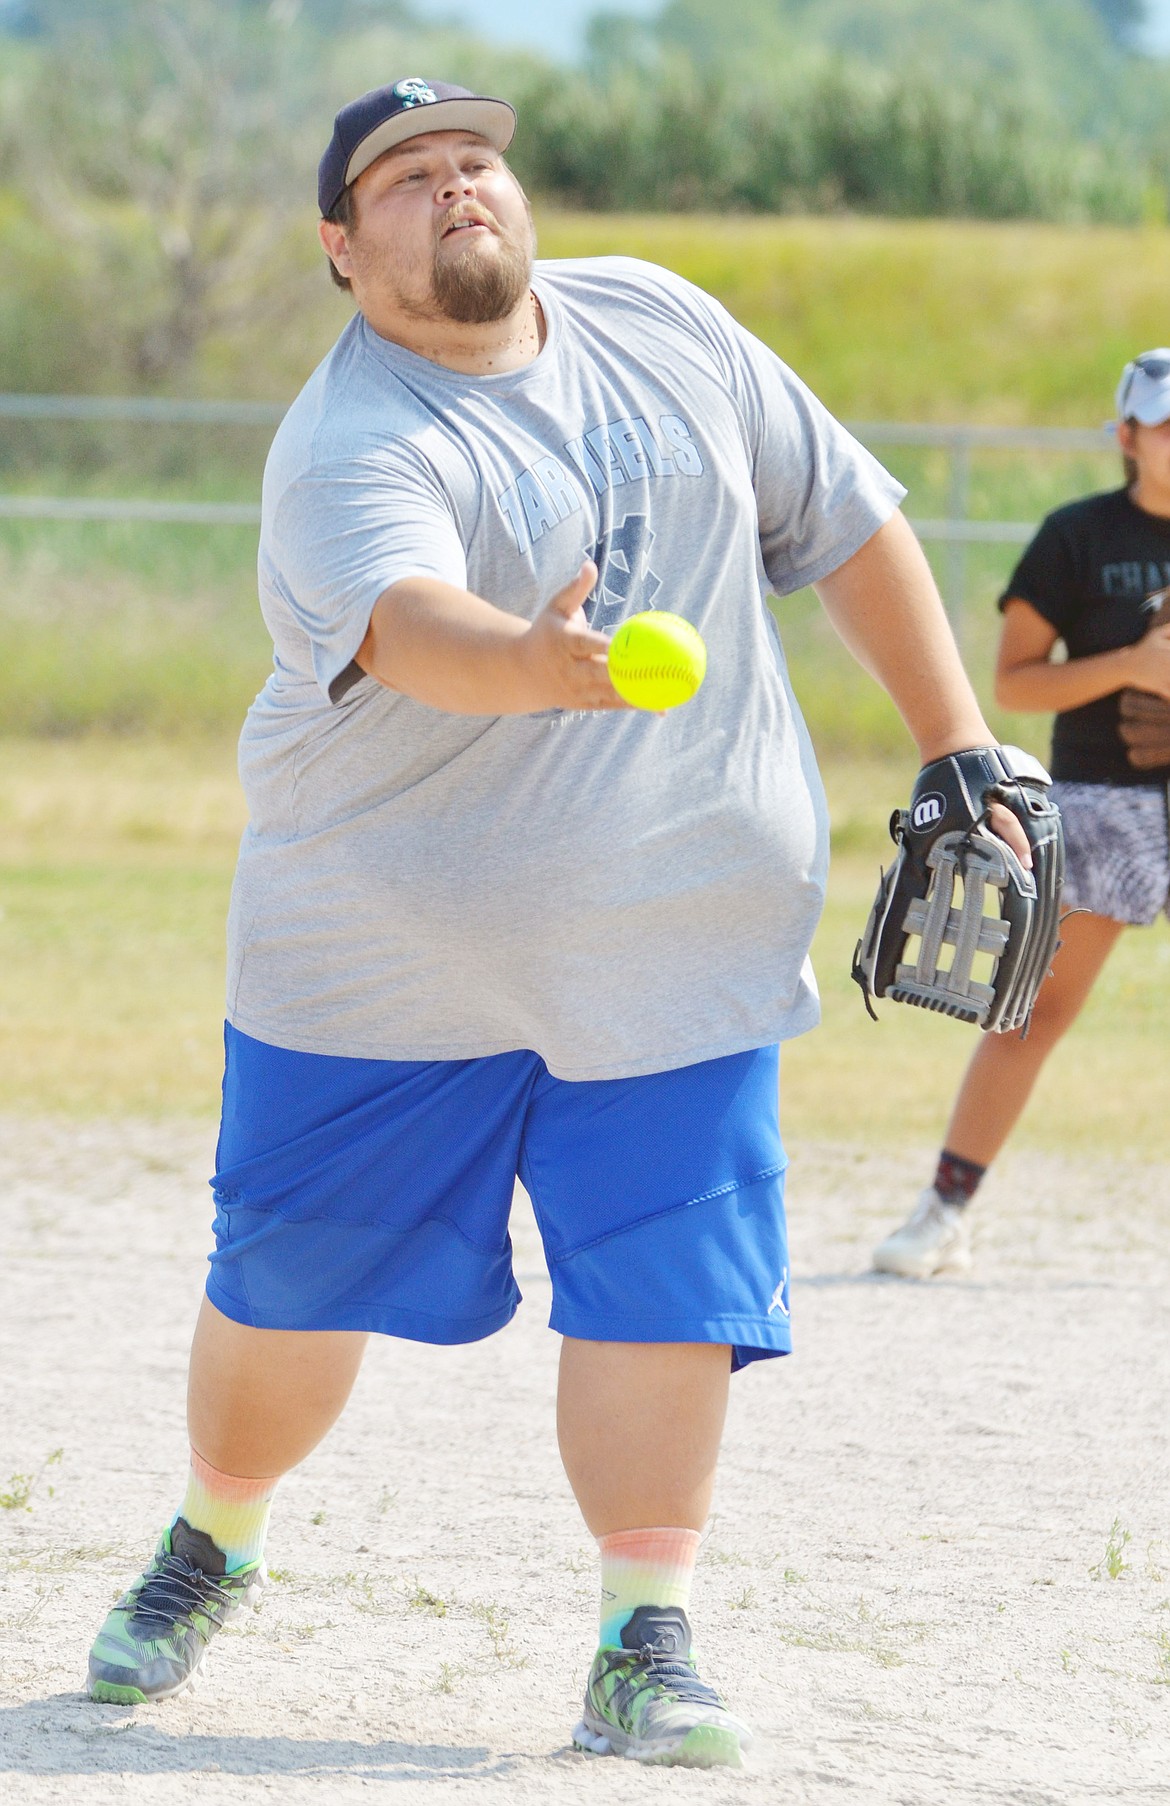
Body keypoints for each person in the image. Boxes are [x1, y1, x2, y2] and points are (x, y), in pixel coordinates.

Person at [84, 76, 1028, 1766]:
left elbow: (850, 517)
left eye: (476, 161)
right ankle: (212, 1534)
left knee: (667, 1296)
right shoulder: (351, 439)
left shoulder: (661, 320)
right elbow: (408, 618)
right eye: (405, 178)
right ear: (338, 246)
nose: (457, 187)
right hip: (382, 951)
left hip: (678, 935)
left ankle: (639, 1631)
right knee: (289, 1295)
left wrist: (959, 737)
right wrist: (529, 665)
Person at [874, 350, 1170, 1280]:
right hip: (1107, 800)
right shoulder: (1078, 536)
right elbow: (1012, 679)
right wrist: (1130, 666)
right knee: (1033, 1012)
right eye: (1164, 423)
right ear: (1127, 436)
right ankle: (945, 1210)